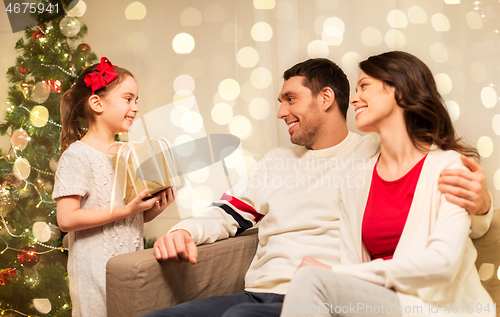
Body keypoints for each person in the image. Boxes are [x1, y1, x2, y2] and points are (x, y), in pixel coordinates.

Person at [144, 58, 492, 317]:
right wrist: (185, 229)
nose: (280, 112)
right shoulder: (280, 162)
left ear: (326, 98)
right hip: (258, 292)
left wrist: (483, 204)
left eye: (290, 99)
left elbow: (440, 200)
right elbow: (228, 213)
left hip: (327, 292)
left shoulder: (368, 153)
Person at [280, 51, 494, 317]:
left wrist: (334, 273)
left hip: (438, 310)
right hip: (378, 305)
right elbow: (352, 262)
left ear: (399, 91)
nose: (354, 98)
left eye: (364, 86)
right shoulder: (355, 179)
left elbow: (443, 265)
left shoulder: (448, 166)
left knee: (311, 279)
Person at [53, 57, 175, 317]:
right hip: (95, 270)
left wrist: (153, 208)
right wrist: (126, 211)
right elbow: (66, 219)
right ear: (97, 103)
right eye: (128, 99)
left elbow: (129, 213)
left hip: (130, 266)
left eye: (137, 100)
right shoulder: (77, 155)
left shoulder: (127, 154)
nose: (135, 107)